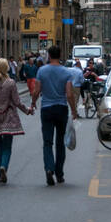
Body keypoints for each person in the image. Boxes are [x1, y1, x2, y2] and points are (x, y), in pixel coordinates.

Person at [30, 44, 77, 185]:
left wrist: (33, 103)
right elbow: (69, 94)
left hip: (47, 109)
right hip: (61, 108)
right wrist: (74, 110)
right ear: (60, 55)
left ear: (49, 56)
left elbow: (37, 91)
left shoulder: (42, 71)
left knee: (47, 142)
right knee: (60, 143)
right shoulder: (66, 72)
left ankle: (49, 168)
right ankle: (59, 174)